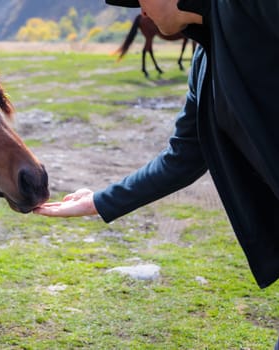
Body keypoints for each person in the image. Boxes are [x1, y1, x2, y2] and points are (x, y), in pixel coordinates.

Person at [34, 0, 279, 347]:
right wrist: (98, 202)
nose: (139, 11)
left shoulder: (252, 7)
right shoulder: (204, 61)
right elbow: (182, 158)